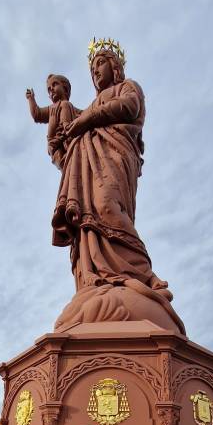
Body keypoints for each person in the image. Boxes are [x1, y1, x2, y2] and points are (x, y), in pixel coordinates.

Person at [49, 39, 185, 334]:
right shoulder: (89, 107)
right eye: (92, 68)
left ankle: (144, 277)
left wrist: (85, 120)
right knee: (88, 219)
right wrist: (60, 143)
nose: (95, 71)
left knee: (107, 206)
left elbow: (128, 106)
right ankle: (97, 278)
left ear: (115, 66)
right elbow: (64, 139)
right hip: (88, 161)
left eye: (100, 63)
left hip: (115, 154)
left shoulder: (128, 88)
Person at [25, 74, 81, 170]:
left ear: (65, 88)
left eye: (54, 85)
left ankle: (67, 130)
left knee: (65, 104)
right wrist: (31, 99)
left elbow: (85, 114)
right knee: (66, 164)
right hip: (55, 147)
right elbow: (36, 114)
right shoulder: (51, 108)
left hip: (68, 139)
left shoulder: (69, 107)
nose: (51, 90)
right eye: (49, 89)